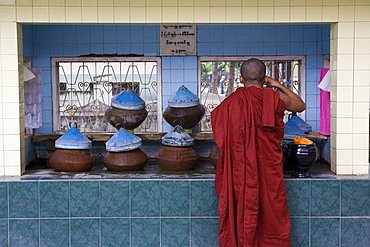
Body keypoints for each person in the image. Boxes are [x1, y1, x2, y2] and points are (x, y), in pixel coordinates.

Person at [211, 58, 306, 247]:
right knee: (272, 212)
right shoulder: (274, 97)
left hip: (239, 172)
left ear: (240, 79)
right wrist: (277, 85)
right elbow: (300, 105)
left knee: (241, 209)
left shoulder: (229, 103)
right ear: (264, 79)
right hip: (268, 170)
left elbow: (221, 138)